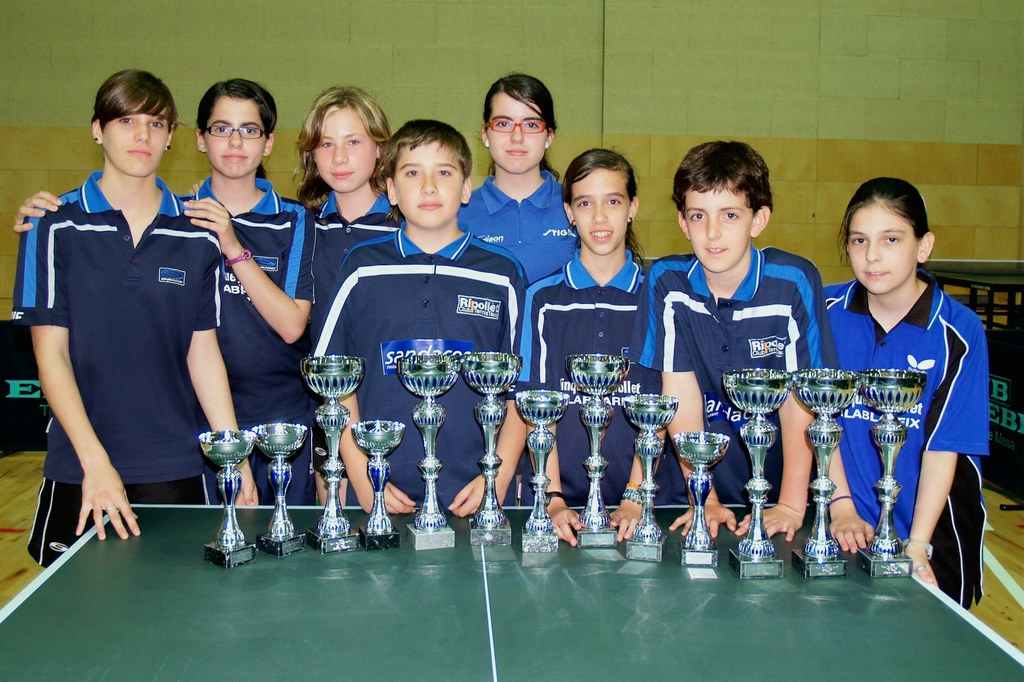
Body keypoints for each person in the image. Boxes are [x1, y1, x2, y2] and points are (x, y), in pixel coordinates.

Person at [10, 69, 254, 567]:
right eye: (126, 120)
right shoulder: (51, 225)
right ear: (97, 129)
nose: (142, 135)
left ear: (171, 137)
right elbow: (50, 355)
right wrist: (95, 463)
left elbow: (202, 352)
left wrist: (235, 455)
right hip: (81, 466)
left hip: (175, 465)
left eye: (156, 123)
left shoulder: (198, 231)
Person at [312, 119, 526, 516]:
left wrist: (497, 474)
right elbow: (335, 382)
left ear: (466, 188)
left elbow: (518, 391)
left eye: (444, 173)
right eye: (412, 173)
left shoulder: (502, 273)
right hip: (380, 493)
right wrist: (363, 474)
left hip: (472, 495)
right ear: (392, 190)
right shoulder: (360, 267)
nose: (429, 187)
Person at [627, 140, 836, 542]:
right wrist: (703, 496)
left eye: (730, 215)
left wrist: (792, 504)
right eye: (698, 215)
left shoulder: (794, 281)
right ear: (683, 222)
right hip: (693, 488)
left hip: (779, 486)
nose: (712, 232)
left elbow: (802, 403)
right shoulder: (667, 283)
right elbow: (680, 395)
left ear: (758, 220)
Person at [825, 177, 988, 608]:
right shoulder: (824, 313)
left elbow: (944, 446)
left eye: (891, 239)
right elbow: (818, 421)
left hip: (934, 533)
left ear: (923, 246)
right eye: (859, 240)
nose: (872, 256)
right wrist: (841, 505)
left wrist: (917, 544)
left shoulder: (960, 332)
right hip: (844, 526)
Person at [514, 149, 686, 546]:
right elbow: (537, 410)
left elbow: (660, 408)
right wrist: (552, 498)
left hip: (647, 506)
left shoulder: (659, 299)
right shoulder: (542, 299)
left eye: (613, 201)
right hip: (565, 504)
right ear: (569, 213)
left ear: (632, 208)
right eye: (585, 203)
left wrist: (635, 497)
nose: (600, 217)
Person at [185, 78, 317, 505]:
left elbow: (292, 326)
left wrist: (232, 245)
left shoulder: (295, 220)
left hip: (283, 418)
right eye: (222, 128)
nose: (235, 141)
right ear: (201, 139)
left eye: (249, 129)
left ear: (268, 143)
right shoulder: (175, 217)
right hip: (197, 417)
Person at [295, 86, 397, 503]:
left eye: (353, 142)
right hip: (328, 404)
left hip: (393, 399)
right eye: (326, 144)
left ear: (379, 148)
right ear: (312, 155)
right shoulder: (302, 228)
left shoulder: (405, 228)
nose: (339, 157)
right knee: (337, 520)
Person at [459, 73, 574, 283]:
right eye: (504, 124)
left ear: (549, 136)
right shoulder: (458, 213)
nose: (517, 137)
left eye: (531, 125)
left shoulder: (578, 205)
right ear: (485, 134)